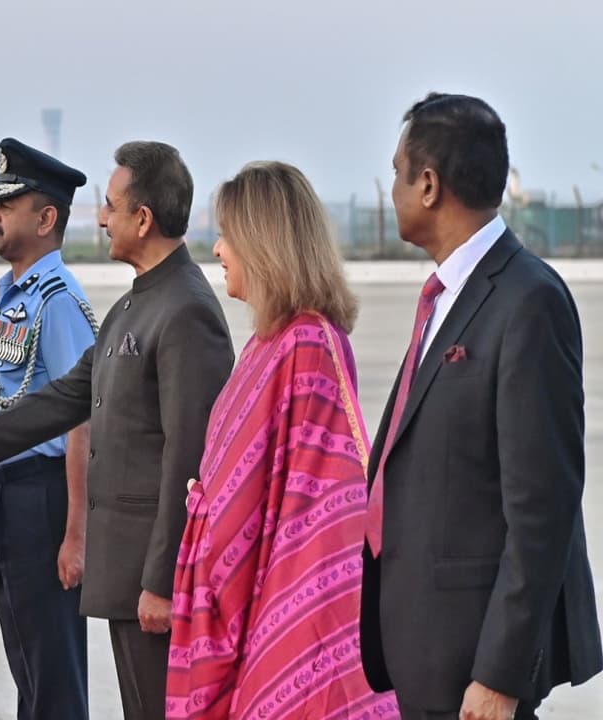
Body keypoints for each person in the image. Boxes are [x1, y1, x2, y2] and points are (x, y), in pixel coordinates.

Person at [0, 141, 235, 720]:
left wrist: (164, 579)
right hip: (125, 572)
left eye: (111, 205)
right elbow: (68, 396)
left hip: (151, 573)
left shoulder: (185, 309)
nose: (99, 218)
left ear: (142, 219)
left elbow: (189, 459)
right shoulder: (133, 306)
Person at [360, 92, 602, 720]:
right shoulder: (443, 295)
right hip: (424, 651)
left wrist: (500, 673)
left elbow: (541, 508)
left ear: (430, 184)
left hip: (475, 667)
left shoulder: (528, 300)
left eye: (397, 172)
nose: (393, 190)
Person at [164, 161, 399, 719]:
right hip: (237, 586)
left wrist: (215, 530)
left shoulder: (308, 344)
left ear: (265, 245)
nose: (218, 249)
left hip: (290, 597)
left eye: (229, 236)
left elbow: (324, 505)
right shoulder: (268, 343)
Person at [0, 137, 97, 719]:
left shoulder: (59, 301)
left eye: (8, 204)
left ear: (45, 219)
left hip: (42, 502)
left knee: (52, 673)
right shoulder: (15, 296)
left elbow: (83, 419)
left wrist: (76, 534)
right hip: (7, 497)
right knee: (28, 662)